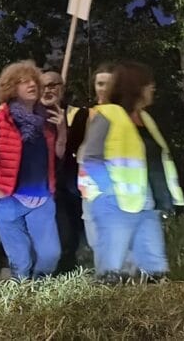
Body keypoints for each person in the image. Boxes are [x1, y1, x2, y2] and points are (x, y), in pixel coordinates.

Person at [79, 61, 184, 283]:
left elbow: (157, 162)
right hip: (115, 204)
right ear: (136, 87)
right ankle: (105, 314)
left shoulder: (145, 119)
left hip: (145, 204)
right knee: (112, 271)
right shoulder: (108, 115)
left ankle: (151, 316)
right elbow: (91, 159)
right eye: (149, 84)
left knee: (155, 268)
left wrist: (165, 198)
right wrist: (109, 193)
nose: (152, 89)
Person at [0, 60, 63, 280]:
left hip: (41, 198)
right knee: (21, 262)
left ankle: (37, 289)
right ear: (12, 88)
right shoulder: (0, 118)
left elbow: (58, 156)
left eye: (33, 80)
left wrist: (62, 127)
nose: (31, 84)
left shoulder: (47, 118)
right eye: (23, 82)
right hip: (8, 199)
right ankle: (23, 303)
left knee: (50, 255)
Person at [40, 71, 83, 274]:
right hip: (42, 186)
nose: (48, 90)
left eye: (53, 85)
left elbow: (76, 149)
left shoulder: (78, 115)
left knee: (72, 235)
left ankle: (67, 273)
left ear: (62, 88)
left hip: (70, 185)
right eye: (44, 86)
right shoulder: (32, 115)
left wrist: (63, 128)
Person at [74, 63, 115, 257]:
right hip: (88, 176)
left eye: (108, 84)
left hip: (115, 177)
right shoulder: (86, 114)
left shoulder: (124, 114)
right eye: (100, 83)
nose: (104, 88)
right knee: (93, 231)